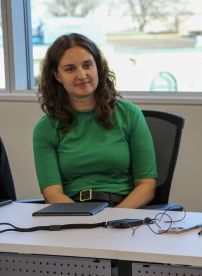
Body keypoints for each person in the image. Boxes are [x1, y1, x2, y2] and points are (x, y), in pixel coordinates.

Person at [33, 33, 158, 208]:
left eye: (87, 65)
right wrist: (83, 219)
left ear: (97, 67)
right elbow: (52, 193)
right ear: (57, 75)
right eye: (70, 69)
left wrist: (114, 218)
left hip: (122, 210)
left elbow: (147, 186)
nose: (82, 75)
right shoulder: (46, 128)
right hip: (72, 212)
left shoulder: (129, 114)